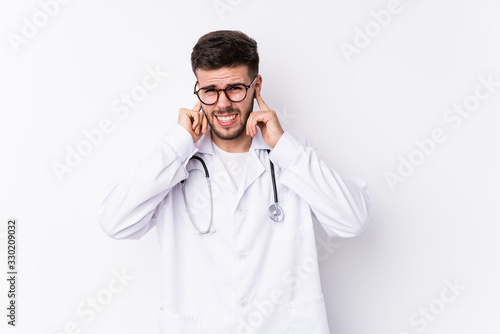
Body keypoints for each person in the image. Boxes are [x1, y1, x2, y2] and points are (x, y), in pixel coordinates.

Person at [98, 30, 372, 334]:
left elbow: (352, 220)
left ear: (257, 86)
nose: (223, 104)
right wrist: (177, 144)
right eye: (210, 90)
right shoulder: (177, 161)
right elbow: (115, 222)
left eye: (236, 89)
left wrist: (284, 148)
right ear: (197, 90)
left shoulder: (292, 155)